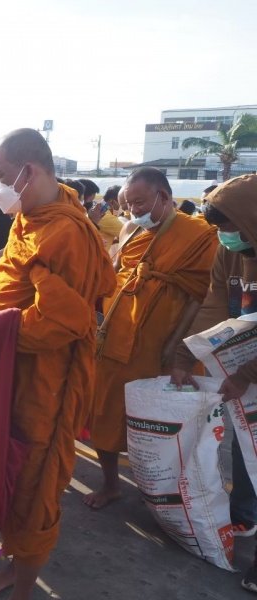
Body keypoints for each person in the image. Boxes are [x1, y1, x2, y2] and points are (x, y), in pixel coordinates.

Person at [0, 129, 116, 599]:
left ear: (29, 172)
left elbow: (57, 324)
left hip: (46, 385)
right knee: (9, 469)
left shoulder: (67, 232)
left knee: (34, 485)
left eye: (3, 177)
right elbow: (7, 293)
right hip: (11, 374)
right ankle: (14, 564)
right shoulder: (33, 219)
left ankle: (26, 586)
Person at [84, 167, 218, 509]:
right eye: (128, 205)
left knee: (167, 421)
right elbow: (113, 272)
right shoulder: (129, 230)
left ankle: (167, 493)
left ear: (164, 196)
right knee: (106, 411)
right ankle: (111, 484)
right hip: (117, 337)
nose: (133, 211)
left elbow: (201, 296)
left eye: (140, 203)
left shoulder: (200, 235)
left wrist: (179, 348)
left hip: (165, 342)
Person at [170, 174, 257, 592]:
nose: (225, 238)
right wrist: (185, 356)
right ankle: (247, 511)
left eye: (230, 228)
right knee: (245, 441)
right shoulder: (230, 253)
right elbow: (216, 306)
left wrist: (245, 375)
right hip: (247, 364)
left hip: (251, 370)